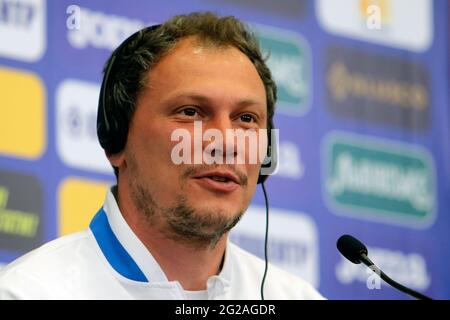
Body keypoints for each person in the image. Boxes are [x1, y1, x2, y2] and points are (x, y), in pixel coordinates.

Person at [0, 12, 324, 300]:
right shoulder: (28, 292)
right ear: (117, 138)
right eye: (191, 112)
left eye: (246, 118)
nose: (225, 141)